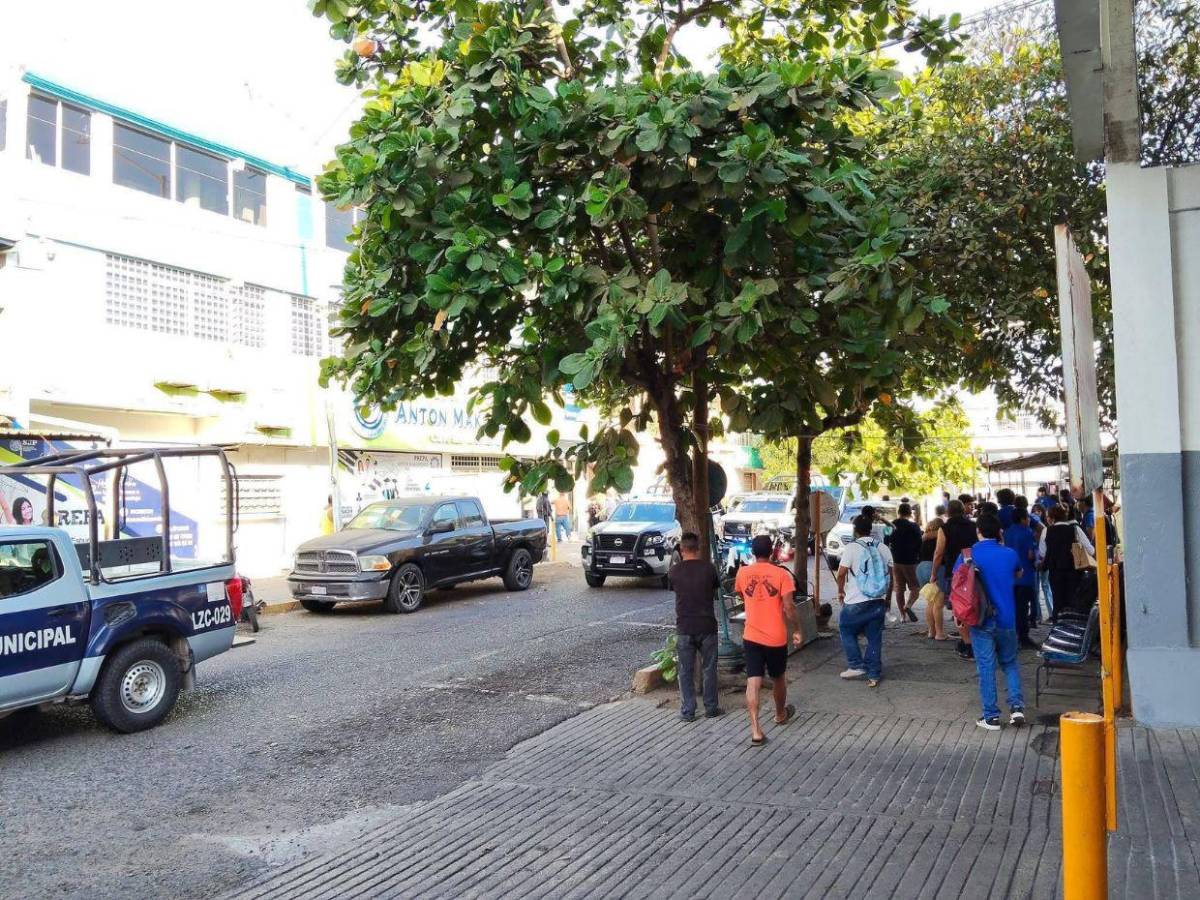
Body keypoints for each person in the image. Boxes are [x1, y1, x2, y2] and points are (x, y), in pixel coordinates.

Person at [954, 514, 1026, 731]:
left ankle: (991, 717)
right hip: (1007, 618)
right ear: (999, 532)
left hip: (980, 619)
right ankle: (1016, 708)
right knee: (1010, 662)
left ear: (978, 531)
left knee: (985, 667)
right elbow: (1019, 574)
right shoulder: (1009, 553)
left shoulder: (967, 555)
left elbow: (958, 586)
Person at [734, 534, 801, 745]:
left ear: (753, 552)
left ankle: (755, 730)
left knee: (753, 680)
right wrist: (797, 629)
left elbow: (741, 596)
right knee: (778, 677)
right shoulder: (782, 575)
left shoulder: (742, 573)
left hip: (751, 635)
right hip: (776, 637)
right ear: (772, 551)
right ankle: (780, 714)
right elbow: (789, 607)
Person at [835, 514, 893, 687]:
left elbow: (841, 573)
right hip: (878, 600)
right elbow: (891, 574)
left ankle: (856, 664)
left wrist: (840, 591)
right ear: (871, 529)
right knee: (874, 636)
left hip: (855, 600)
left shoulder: (852, 548)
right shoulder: (882, 547)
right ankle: (874, 673)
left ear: (855, 530)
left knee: (846, 628)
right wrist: (888, 598)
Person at [670, 533, 722, 722]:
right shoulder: (709, 569)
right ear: (698, 548)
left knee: (685, 670)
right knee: (709, 668)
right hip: (707, 625)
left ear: (682, 550)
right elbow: (715, 590)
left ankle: (688, 710)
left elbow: (673, 588)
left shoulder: (674, 571)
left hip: (684, 626)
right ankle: (711, 707)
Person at [930, 499, 978, 660]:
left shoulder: (945, 528)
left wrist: (934, 573)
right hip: (974, 569)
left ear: (948, 512)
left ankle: (967, 642)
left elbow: (938, 553)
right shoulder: (973, 525)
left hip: (954, 571)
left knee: (959, 608)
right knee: (973, 604)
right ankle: (973, 639)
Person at [1039, 503, 1094, 621]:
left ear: (1052, 518)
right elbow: (1091, 550)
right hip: (1074, 572)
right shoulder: (1075, 529)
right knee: (1073, 602)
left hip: (1055, 573)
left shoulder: (1046, 531)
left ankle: (1057, 627)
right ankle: (1072, 628)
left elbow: (1043, 553)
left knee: (1058, 601)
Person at [1003, 508, 1039, 648]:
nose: (1029, 520)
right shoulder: (1027, 532)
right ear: (1023, 519)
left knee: (1014, 607)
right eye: (1028, 518)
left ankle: (1015, 634)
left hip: (1011, 576)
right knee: (1023, 608)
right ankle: (1023, 637)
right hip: (1025, 575)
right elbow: (1030, 554)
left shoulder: (1006, 532)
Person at [888, 503, 922, 623]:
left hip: (895, 560)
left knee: (899, 589)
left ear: (899, 512)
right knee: (915, 588)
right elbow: (919, 543)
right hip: (910, 561)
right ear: (909, 513)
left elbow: (886, 540)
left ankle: (902, 616)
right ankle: (908, 606)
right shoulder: (914, 526)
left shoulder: (892, 525)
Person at [917, 517, 948, 640]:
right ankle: (940, 633)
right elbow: (939, 554)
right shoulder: (941, 537)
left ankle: (931, 631)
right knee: (938, 604)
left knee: (930, 602)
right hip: (935, 568)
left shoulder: (924, 538)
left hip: (921, 568)